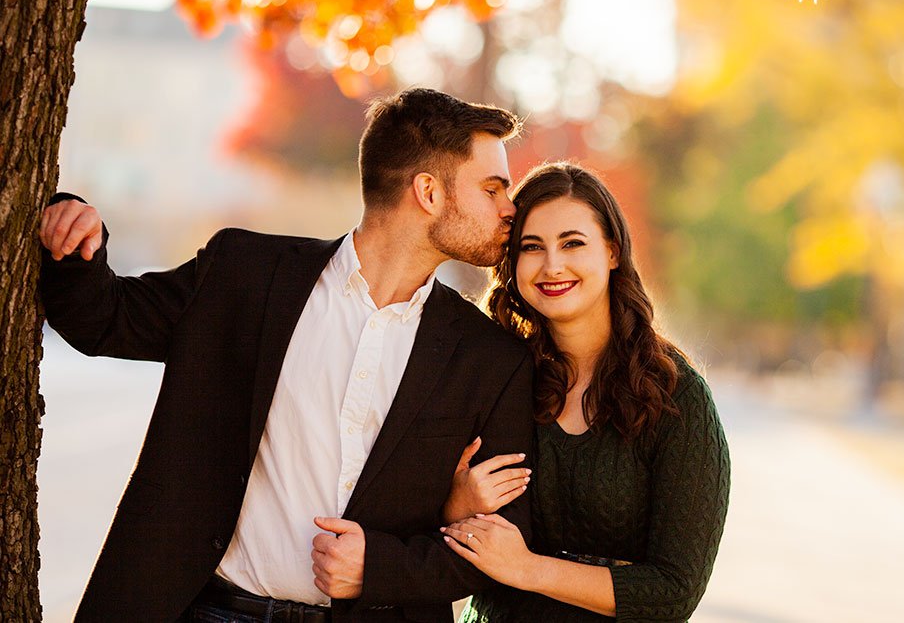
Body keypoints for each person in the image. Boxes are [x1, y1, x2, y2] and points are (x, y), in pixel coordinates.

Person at [38, 88, 535, 623]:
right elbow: (105, 320)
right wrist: (76, 237)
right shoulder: (245, 275)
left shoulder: (491, 358)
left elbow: (503, 546)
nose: (511, 208)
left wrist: (381, 568)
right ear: (429, 193)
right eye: (492, 188)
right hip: (205, 611)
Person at [437, 163, 731, 622]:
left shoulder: (676, 397)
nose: (552, 265)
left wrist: (529, 569)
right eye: (532, 248)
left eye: (572, 243)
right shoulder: (492, 376)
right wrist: (458, 503)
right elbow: (426, 529)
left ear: (612, 251)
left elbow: (673, 591)